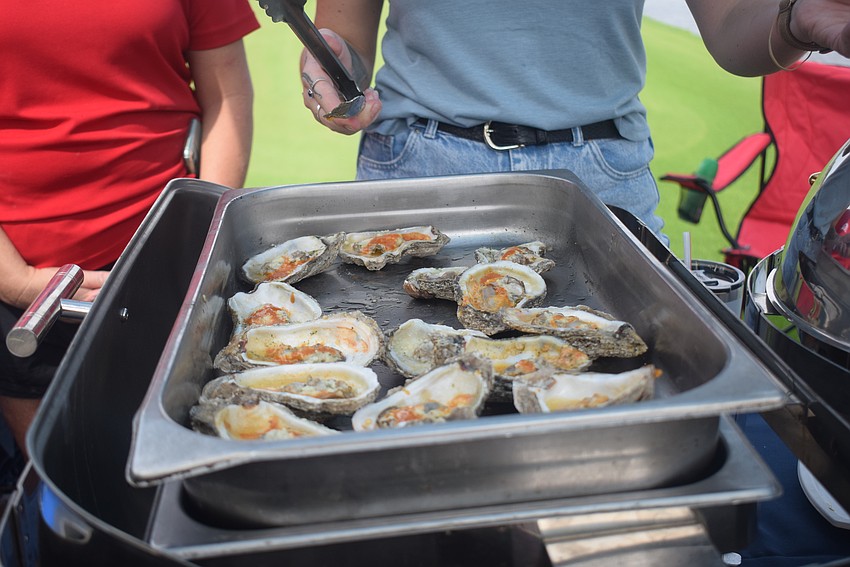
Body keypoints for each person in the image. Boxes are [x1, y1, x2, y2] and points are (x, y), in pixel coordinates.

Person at [296, 0, 850, 240]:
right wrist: (334, 66)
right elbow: (346, 38)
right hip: (419, 168)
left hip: (601, 178)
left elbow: (734, 27)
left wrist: (795, 18)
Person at [0, 0, 260, 459]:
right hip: (16, 281)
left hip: (171, 261)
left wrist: (201, 239)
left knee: (175, 468)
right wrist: (17, 283)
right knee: (60, 482)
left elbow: (227, 96)